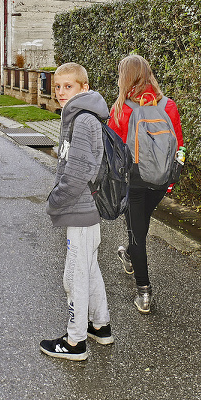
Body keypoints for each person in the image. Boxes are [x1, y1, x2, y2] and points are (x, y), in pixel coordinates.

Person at [40, 62, 113, 361]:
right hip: (85, 207)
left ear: (84, 87)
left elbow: (79, 171)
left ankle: (75, 341)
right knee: (89, 268)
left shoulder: (83, 120)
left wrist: (55, 201)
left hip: (80, 207)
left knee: (74, 276)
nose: (60, 92)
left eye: (67, 86)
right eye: (57, 86)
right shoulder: (80, 115)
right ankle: (100, 326)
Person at [107, 55, 183, 314]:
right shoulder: (168, 106)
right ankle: (128, 255)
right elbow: (178, 146)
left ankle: (144, 293)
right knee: (141, 225)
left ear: (124, 77)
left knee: (136, 234)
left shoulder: (120, 109)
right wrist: (172, 180)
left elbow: (113, 151)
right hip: (161, 181)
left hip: (135, 181)